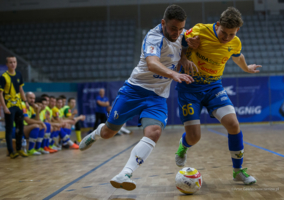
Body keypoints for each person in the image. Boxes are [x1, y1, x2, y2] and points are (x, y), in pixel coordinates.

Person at [80, 4, 199, 191]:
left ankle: (125, 173)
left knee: (154, 132)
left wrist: (184, 57)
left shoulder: (181, 35)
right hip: (134, 91)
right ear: (163, 23)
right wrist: (174, 74)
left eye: (181, 28)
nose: (177, 33)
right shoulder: (153, 36)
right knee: (108, 133)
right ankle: (97, 132)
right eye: (173, 28)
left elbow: (181, 45)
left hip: (157, 97)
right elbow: (152, 64)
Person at [174, 7, 260, 185]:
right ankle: (183, 147)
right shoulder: (200, 30)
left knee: (233, 124)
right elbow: (176, 42)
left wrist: (246, 68)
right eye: (224, 32)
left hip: (214, 87)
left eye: (232, 34)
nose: (227, 38)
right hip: (190, 86)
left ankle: (238, 171)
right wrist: (185, 47)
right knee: (194, 137)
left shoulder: (235, 41)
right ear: (218, 24)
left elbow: (237, 56)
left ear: (237, 31)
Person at [0, 56, 29, 158]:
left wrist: (26, 101)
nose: (13, 64)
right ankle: (11, 152)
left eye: (14, 62)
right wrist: (4, 107)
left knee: (20, 128)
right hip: (9, 107)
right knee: (9, 130)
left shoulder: (19, 74)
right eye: (10, 62)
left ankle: (19, 150)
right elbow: (0, 93)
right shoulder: (3, 77)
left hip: (18, 106)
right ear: (7, 64)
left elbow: (21, 89)